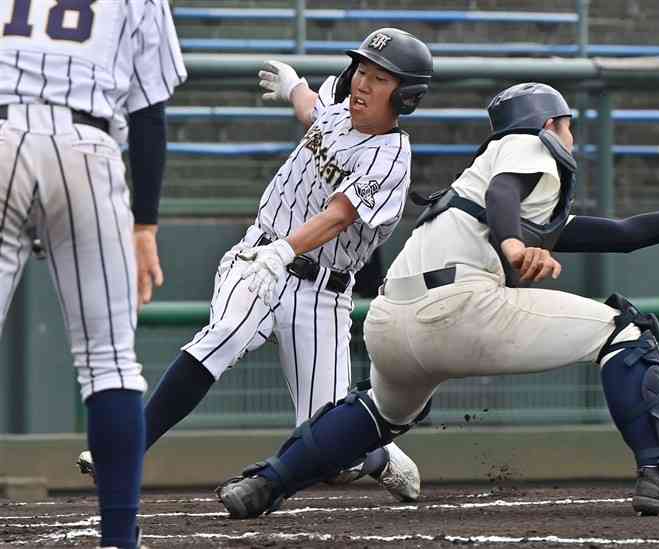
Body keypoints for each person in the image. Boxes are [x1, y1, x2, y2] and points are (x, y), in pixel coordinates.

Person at [215, 82, 659, 520]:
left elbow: (624, 232)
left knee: (380, 411)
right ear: (548, 123)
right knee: (626, 331)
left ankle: (266, 482)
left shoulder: (482, 183)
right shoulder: (527, 149)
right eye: (568, 124)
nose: (571, 135)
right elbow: (508, 194)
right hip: (455, 306)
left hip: (391, 321)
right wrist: (509, 243)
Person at [76, 28, 433, 502]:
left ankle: (377, 457)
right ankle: (122, 450)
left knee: (331, 443)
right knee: (224, 333)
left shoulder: (391, 158)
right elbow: (314, 112)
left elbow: (339, 216)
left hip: (321, 293)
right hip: (257, 258)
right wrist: (293, 87)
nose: (364, 84)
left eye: (380, 78)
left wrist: (285, 250)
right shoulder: (340, 101)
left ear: (405, 96)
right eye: (362, 70)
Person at [0, 0, 186, 547]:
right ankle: (118, 539)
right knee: (109, 362)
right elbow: (150, 111)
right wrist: (145, 226)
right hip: (86, 144)